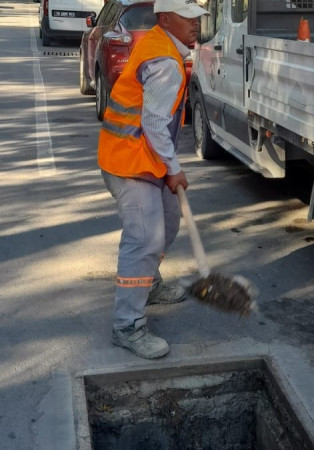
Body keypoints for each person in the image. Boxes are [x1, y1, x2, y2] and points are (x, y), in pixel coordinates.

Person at [97, 0, 208, 359]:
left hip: (143, 157)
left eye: (198, 16)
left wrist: (167, 167)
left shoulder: (161, 42)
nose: (196, 23)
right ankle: (127, 325)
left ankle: (149, 282)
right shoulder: (165, 63)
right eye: (187, 17)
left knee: (170, 222)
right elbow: (155, 124)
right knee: (145, 238)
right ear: (165, 19)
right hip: (128, 160)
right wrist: (174, 168)